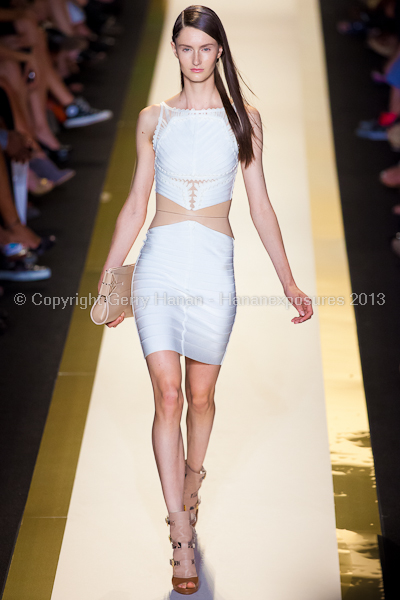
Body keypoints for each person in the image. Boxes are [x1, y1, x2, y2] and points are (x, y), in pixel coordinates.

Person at [98, 5, 313, 594]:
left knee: (201, 395)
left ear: (220, 52)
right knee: (167, 395)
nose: (196, 58)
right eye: (186, 48)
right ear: (175, 50)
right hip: (161, 263)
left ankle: (194, 475)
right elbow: (137, 200)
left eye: (205, 48)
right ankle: (180, 532)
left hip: (214, 268)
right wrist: (109, 274)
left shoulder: (246, 120)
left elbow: (260, 204)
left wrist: (288, 280)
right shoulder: (152, 118)